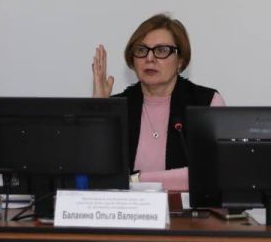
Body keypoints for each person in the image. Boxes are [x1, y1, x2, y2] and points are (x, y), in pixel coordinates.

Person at [92, 13, 224, 191]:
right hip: (127, 208)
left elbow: (210, 172)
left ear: (180, 60)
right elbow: (95, 175)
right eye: (141, 50)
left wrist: (136, 180)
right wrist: (98, 111)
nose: (149, 58)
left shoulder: (206, 103)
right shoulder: (118, 107)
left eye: (161, 50)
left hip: (185, 209)